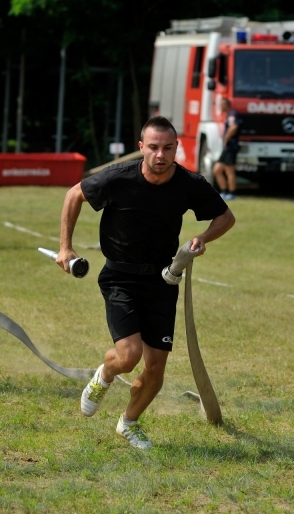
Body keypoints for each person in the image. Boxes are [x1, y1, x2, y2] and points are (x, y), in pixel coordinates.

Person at [57, 116, 235, 449]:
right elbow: (73, 196)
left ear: (176, 148)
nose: (160, 155)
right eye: (153, 147)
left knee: (155, 368)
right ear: (141, 148)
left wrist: (203, 236)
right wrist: (65, 248)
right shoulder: (117, 178)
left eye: (168, 148)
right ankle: (105, 375)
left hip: (164, 280)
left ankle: (129, 422)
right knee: (129, 356)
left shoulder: (188, 183)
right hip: (120, 277)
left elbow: (226, 216)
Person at [212, 98, 242, 201]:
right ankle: (224, 191)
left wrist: (226, 139)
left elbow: (234, 127)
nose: (220, 107)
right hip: (227, 148)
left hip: (231, 147)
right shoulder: (228, 115)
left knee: (229, 170)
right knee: (217, 170)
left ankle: (232, 193)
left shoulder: (233, 114)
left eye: (221, 105)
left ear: (226, 105)